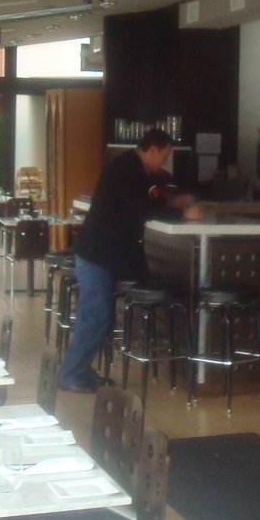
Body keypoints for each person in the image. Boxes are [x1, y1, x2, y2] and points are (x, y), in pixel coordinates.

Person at [58, 128, 203, 392]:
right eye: (165, 155)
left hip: (101, 253)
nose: (165, 161)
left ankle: (79, 371)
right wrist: (179, 210)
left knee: (97, 315)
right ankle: (71, 374)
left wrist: (172, 204)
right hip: (97, 253)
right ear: (153, 150)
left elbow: (144, 203)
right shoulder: (127, 169)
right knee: (95, 315)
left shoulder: (133, 168)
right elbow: (142, 209)